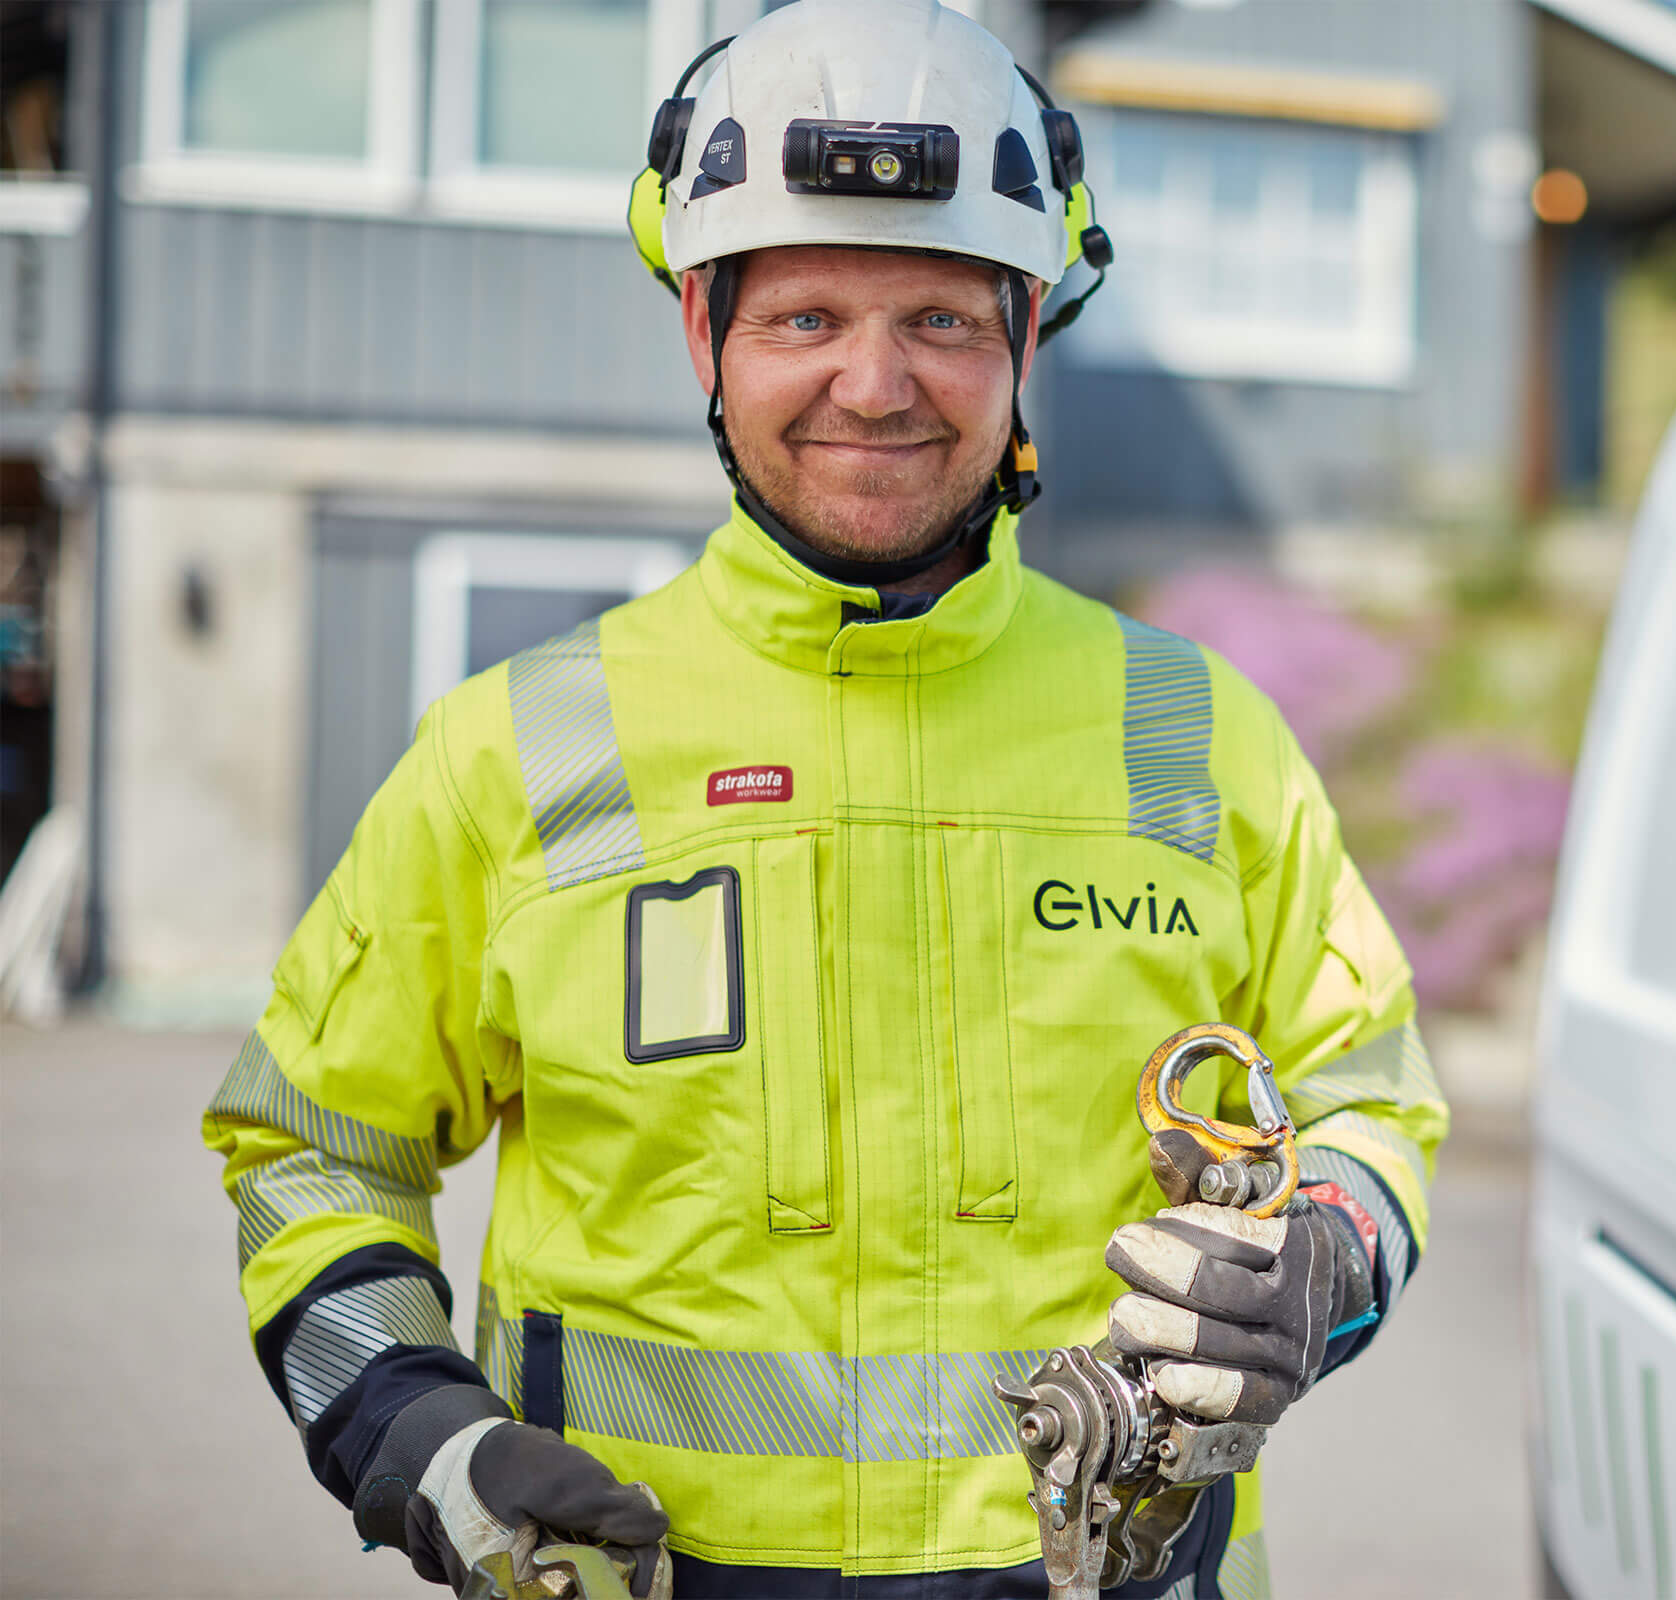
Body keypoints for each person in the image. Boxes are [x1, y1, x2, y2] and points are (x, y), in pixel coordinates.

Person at [201, 2, 1446, 1594]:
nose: (876, 382)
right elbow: (311, 1149)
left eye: (941, 316)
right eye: (803, 319)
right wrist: (408, 1429)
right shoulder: (517, 749)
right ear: (702, 335)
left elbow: (1374, 1098)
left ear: (1025, 339)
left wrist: (1322, 1263)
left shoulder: (1200, 738)